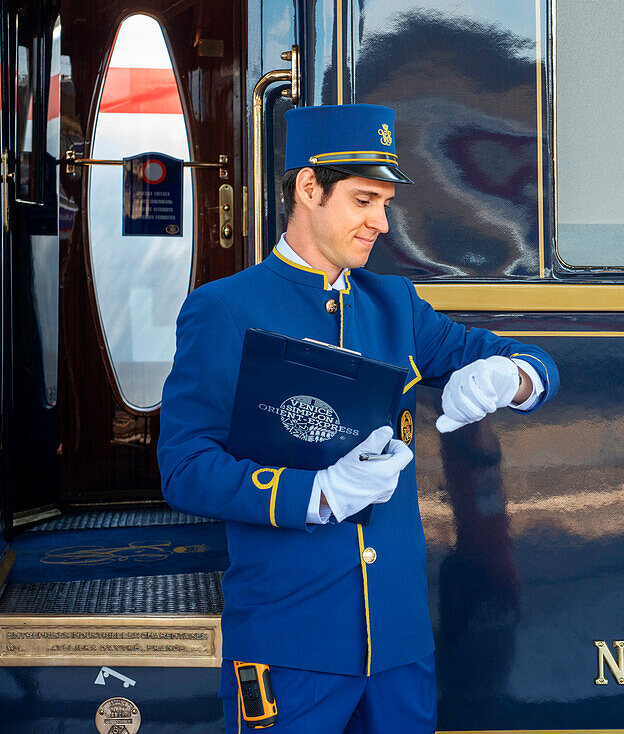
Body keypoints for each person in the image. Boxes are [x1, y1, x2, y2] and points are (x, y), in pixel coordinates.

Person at [157, 103, 558, 733]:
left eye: (385, 204)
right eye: (364, 201)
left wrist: (513, 375)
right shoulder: (224, 309)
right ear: (309, 188)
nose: (381, 222)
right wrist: (313, 494)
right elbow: (185, 468)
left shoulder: (393, 303)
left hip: (398, 646)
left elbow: (526, 360)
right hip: (291, 644)